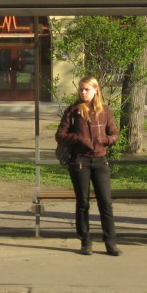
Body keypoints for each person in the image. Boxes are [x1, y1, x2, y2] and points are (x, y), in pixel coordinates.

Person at [55, 76, 121, 256]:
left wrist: (105, 140)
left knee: (105, 202)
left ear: (96, 90)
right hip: (80, 162)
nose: (83, 92)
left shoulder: (105, 111)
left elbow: (115, 134)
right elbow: (60, 135)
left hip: (100, 161)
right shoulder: (73, 111)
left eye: (87, 89)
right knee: (83, 202)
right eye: (81, 89)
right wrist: (78, 138)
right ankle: (85, 240)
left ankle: (110, 242)